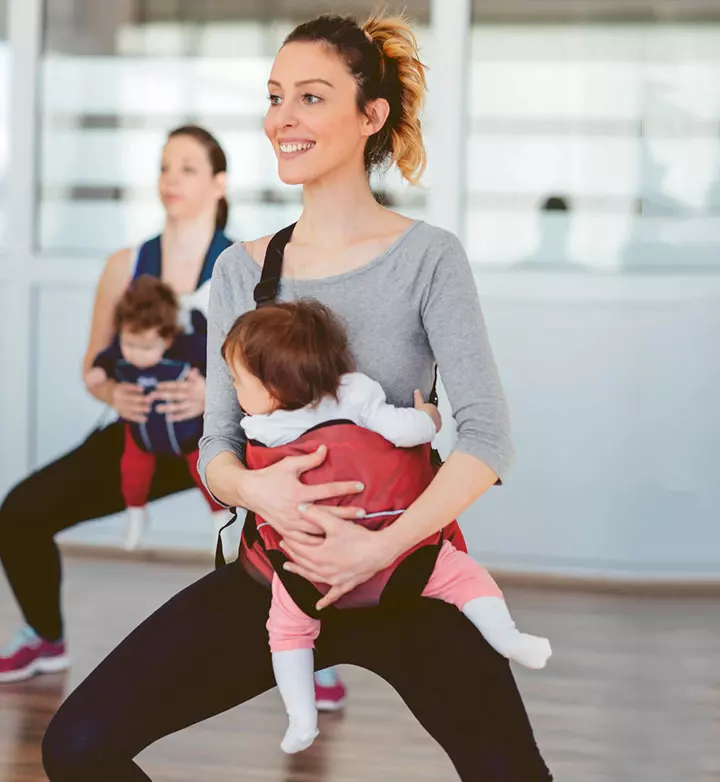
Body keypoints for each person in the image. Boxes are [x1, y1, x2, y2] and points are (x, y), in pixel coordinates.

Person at [41, 13, 553, 781]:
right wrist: (254, 488)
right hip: (274, 580)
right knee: (76, 746)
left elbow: (487, 439)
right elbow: (215, 444)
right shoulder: (242, 272)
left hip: (408, 581)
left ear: (370, 115)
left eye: (311, 97)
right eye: (276, 96)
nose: (282, 117)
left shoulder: (428, 259)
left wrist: (376, 548)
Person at [222, 300, 552, 753]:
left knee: (287, 628)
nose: (233, 388)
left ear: (273, 389)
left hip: (308, 561)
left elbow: (239, 469)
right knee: (462, 576)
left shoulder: (263, 429)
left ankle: (302, 716)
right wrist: (430, 419)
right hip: (400, 548)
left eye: (238, 380)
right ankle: (507, 636)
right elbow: (405, 432)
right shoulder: (355, 392)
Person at [0, 124, 231, 682]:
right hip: (139, 435)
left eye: (187, 168)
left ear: (219, 184)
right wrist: (114, 393)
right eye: (164, 166)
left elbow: (272, 375)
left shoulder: (243, 265)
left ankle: (315, 658)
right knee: (20, 514)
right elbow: (92, 367)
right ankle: (46, 639)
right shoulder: (125, 265)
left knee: (287, 531)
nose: (170, 179)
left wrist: (212, 392)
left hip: (218, 440)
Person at [86, 275, 225, 550]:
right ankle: (136, 515)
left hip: (187, 431)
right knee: (132, 471)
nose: (136, 354)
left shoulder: (190, 347)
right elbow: (104, 361)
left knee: (207, 472)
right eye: (130, 345)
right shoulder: (119, 350)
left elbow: (220, 361)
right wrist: (98, 376)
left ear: (169, 337)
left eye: (147, 347)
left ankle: (221, 521)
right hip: (141, 430)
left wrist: (209, 389)